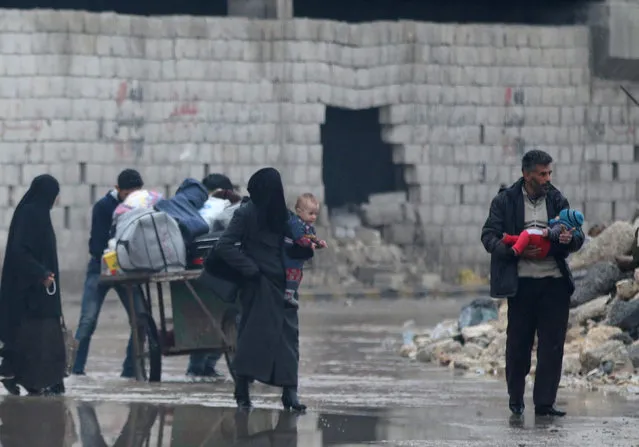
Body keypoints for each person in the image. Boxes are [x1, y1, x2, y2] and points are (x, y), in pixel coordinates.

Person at [480, 149, 584, 417]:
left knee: (552, 346)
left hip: (554, 284)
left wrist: (568, 240)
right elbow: (489, 237)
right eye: (542, 174)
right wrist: (515, 250)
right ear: (527, 175)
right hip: (522, 286)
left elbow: (578, 237)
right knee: (518, 346)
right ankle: (516, 401)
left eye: (549, 173)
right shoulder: (505, 201)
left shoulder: (558, 199)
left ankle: (545, 404)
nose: (547, 178)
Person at [211, 167, 314, 411]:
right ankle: (242, 390)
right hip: (256, 286)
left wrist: (305, 249)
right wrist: (250, 269)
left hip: (285, 288)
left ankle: (290, 393)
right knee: (252, 340)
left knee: (288, 340)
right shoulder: (246, 214)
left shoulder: (286, 217)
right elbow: (224, 246)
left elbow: (295, 245)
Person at [72, 169, 148, 378]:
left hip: (128, 270)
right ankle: (74, 372)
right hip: (100, 268)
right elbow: (96, 244)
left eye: (135, 193)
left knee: (140, 319)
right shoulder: (103, 207)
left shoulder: (141, 206)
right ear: (118, 190)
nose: (131, 198)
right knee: (87, 322)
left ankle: (130, 371)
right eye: (127, 194)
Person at [0, 175, 67, 396]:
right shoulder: (31, 214)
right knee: (40, 337)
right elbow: (20, 251)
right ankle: (40, 381)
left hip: (40, 290)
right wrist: (42, 273)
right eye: (55, 194)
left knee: (37, 338)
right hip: (31, 290)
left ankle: (31, 380)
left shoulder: (37, 213)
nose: (56, 199)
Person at [187, 173, 241, 378]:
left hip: (196, 265)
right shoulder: (226, 208)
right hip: (217, 270)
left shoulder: (199, 206)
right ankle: (200, 366)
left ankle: (201, 367)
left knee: (205, 317)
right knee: (220, 315)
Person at [284, 193, 327, 307]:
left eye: (315, 214)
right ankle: (288, 294)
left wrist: (318, 242)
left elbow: (311, 237)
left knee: (298, 274)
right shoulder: (295, 223)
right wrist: (310, 244)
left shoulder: (309, 226)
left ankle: (291, 292)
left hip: (298, 257)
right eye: (310, 213)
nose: (313, 217)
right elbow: (299, 238)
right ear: (299, 211)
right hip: (290, 255)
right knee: (292, 274)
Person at [502, 208, 585, 258]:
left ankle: (515, 249)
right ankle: (509, 239)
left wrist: (570, 240)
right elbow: (490, 237)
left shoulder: (561, 225)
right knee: (523, 237)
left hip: (546, 247)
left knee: (527, 233)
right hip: (524, 268)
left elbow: (556, 232)